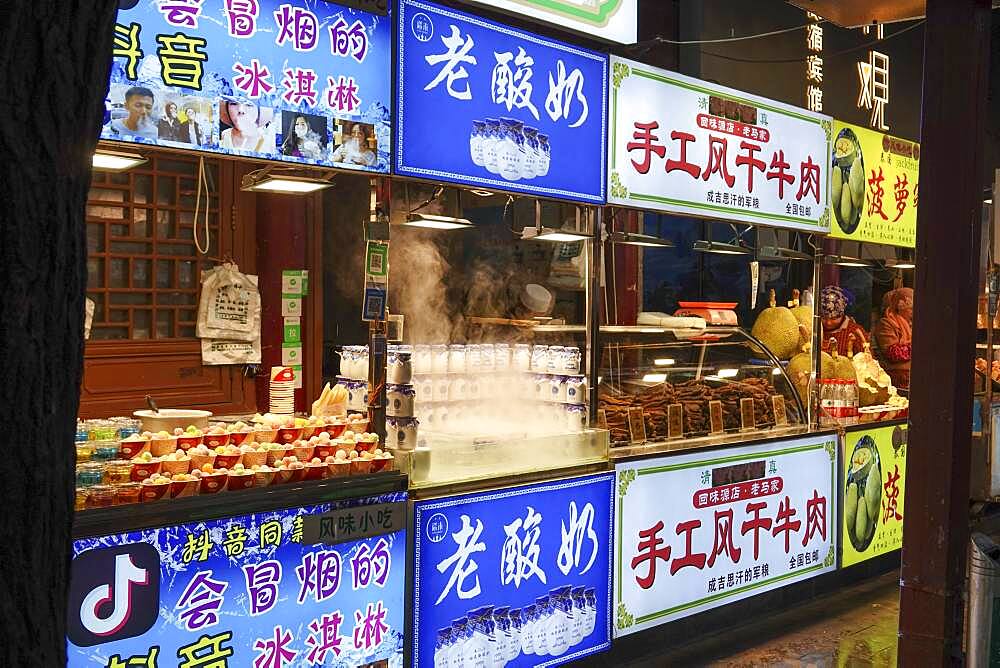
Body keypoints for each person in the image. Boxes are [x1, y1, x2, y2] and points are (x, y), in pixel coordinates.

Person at [873, 287, 913, 389]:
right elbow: (893, 353)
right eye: (911, 309)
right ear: (900, 308)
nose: (913, 312)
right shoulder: (886, 324)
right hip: (896, 377)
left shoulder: (912, 324)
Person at [820, 285, 868, 357]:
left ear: (842, 314)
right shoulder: (812, 328)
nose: (828, 323)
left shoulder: (855, 331)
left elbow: (866, 359)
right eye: (824, 318)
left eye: (834, 319)